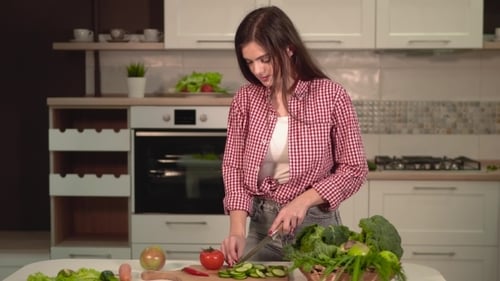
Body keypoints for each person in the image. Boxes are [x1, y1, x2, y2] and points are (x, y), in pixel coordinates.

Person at [220, 6, 368, 266]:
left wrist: (302, 202)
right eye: (249, 61)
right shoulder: (245, 99)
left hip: (316, 231)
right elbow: (233, 166)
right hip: (260, 229)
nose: (257, 70)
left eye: (265, 59)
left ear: (289, 48)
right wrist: (236, 229)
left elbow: (355, 169)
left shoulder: (331, 95)